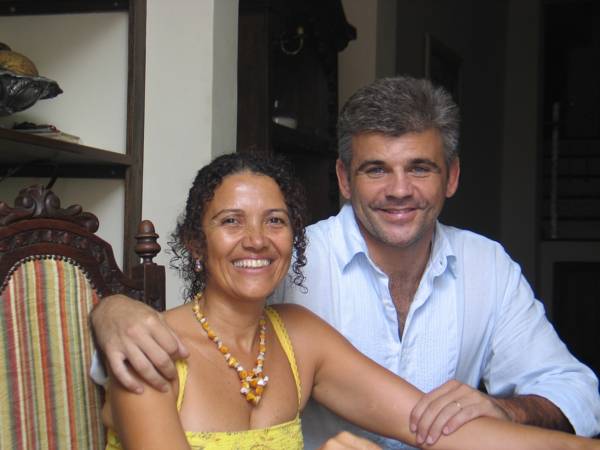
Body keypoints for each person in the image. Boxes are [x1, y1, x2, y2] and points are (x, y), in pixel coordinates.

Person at [91, 77, 600, 449]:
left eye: (275, 222)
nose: (257, 242)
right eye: (376, 169)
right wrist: (109, 309)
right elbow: (147, 348)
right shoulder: (157, 351)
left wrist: (523, 417)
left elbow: (439, 428)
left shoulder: (301, 336)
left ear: (451, 177)